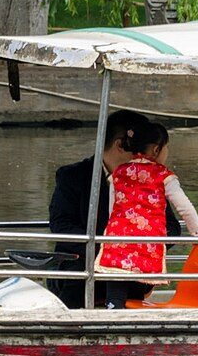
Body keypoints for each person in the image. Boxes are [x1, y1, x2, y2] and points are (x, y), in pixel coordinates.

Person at [46, 110, 181, 308]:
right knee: (76, 274)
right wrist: (108, 250)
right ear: (120, 145)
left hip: (131, 272)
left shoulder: (148, 179)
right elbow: (61, 225)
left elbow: (172, 227)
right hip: (82, 265)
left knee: (129, 274)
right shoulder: (72, 176)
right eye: (141, 148)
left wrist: (139, 246)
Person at [96, 119, 198, 302]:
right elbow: (184, 207)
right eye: (167, 148)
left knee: (115, 297)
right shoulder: (164, 176)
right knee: (136, 298)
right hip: (145, 248)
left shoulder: (118, 173)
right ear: (156, 149)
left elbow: (112, 209)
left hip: (116, 244)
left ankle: (112, 315)